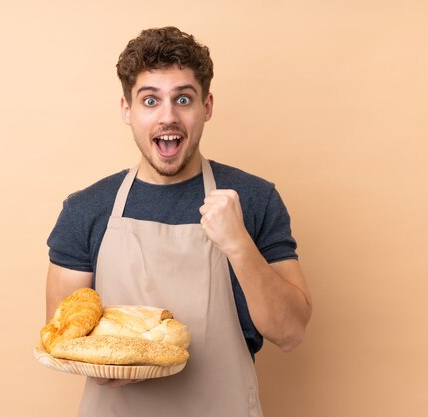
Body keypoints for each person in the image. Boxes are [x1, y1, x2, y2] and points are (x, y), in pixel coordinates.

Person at [45, 26, 312, 417]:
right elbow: (65, 339)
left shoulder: (254, 199)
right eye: (150, 100)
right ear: (127, 110)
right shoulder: (86, 209)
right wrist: (115, 366)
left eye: (183, 99)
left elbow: (290, 332)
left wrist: (238, 244)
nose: (168, 117)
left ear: (206, 106)